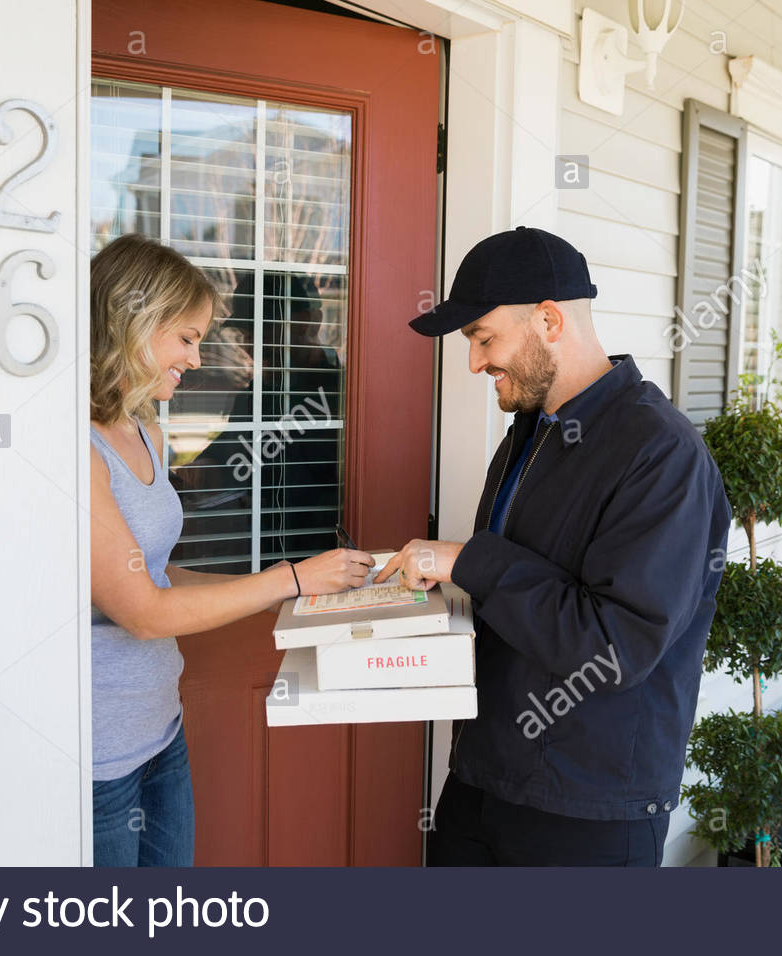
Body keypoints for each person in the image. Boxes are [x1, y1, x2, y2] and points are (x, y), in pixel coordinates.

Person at [375, 226, 732, 866]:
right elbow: (519, 599)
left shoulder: (661, 453)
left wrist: (466, 560)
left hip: (588, 812)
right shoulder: (529, 432)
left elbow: (618, 646)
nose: (474, 363)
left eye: (484, 338)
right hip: (484, 779)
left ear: (548, 320)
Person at [88, 234, 372, 866]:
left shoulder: (144, 428)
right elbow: (144, 612)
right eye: (186, 338)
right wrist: (287, 580)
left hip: (161, 731)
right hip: (97, 754)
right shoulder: (77, 447)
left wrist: (283, 595)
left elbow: (158, 576)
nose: (197, 357)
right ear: (134, 322)